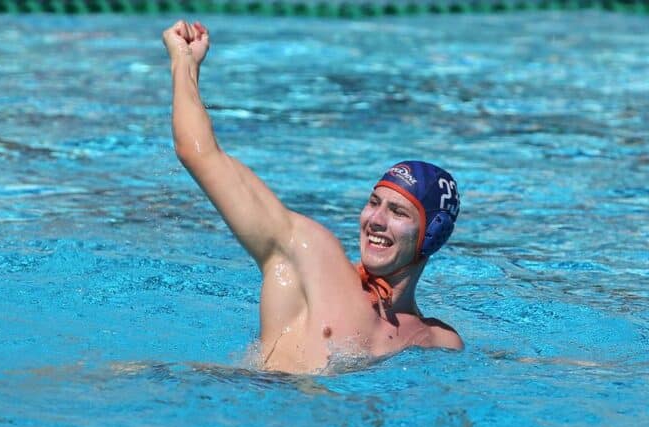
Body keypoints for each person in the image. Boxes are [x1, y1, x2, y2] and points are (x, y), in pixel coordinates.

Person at [162, 20, 463, 374]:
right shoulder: (312, 257)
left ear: (431, 234)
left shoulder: (437, 341)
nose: (375, 220)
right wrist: (184, 65)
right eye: (373, 202)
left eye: (398, 211)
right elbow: (200, 154)